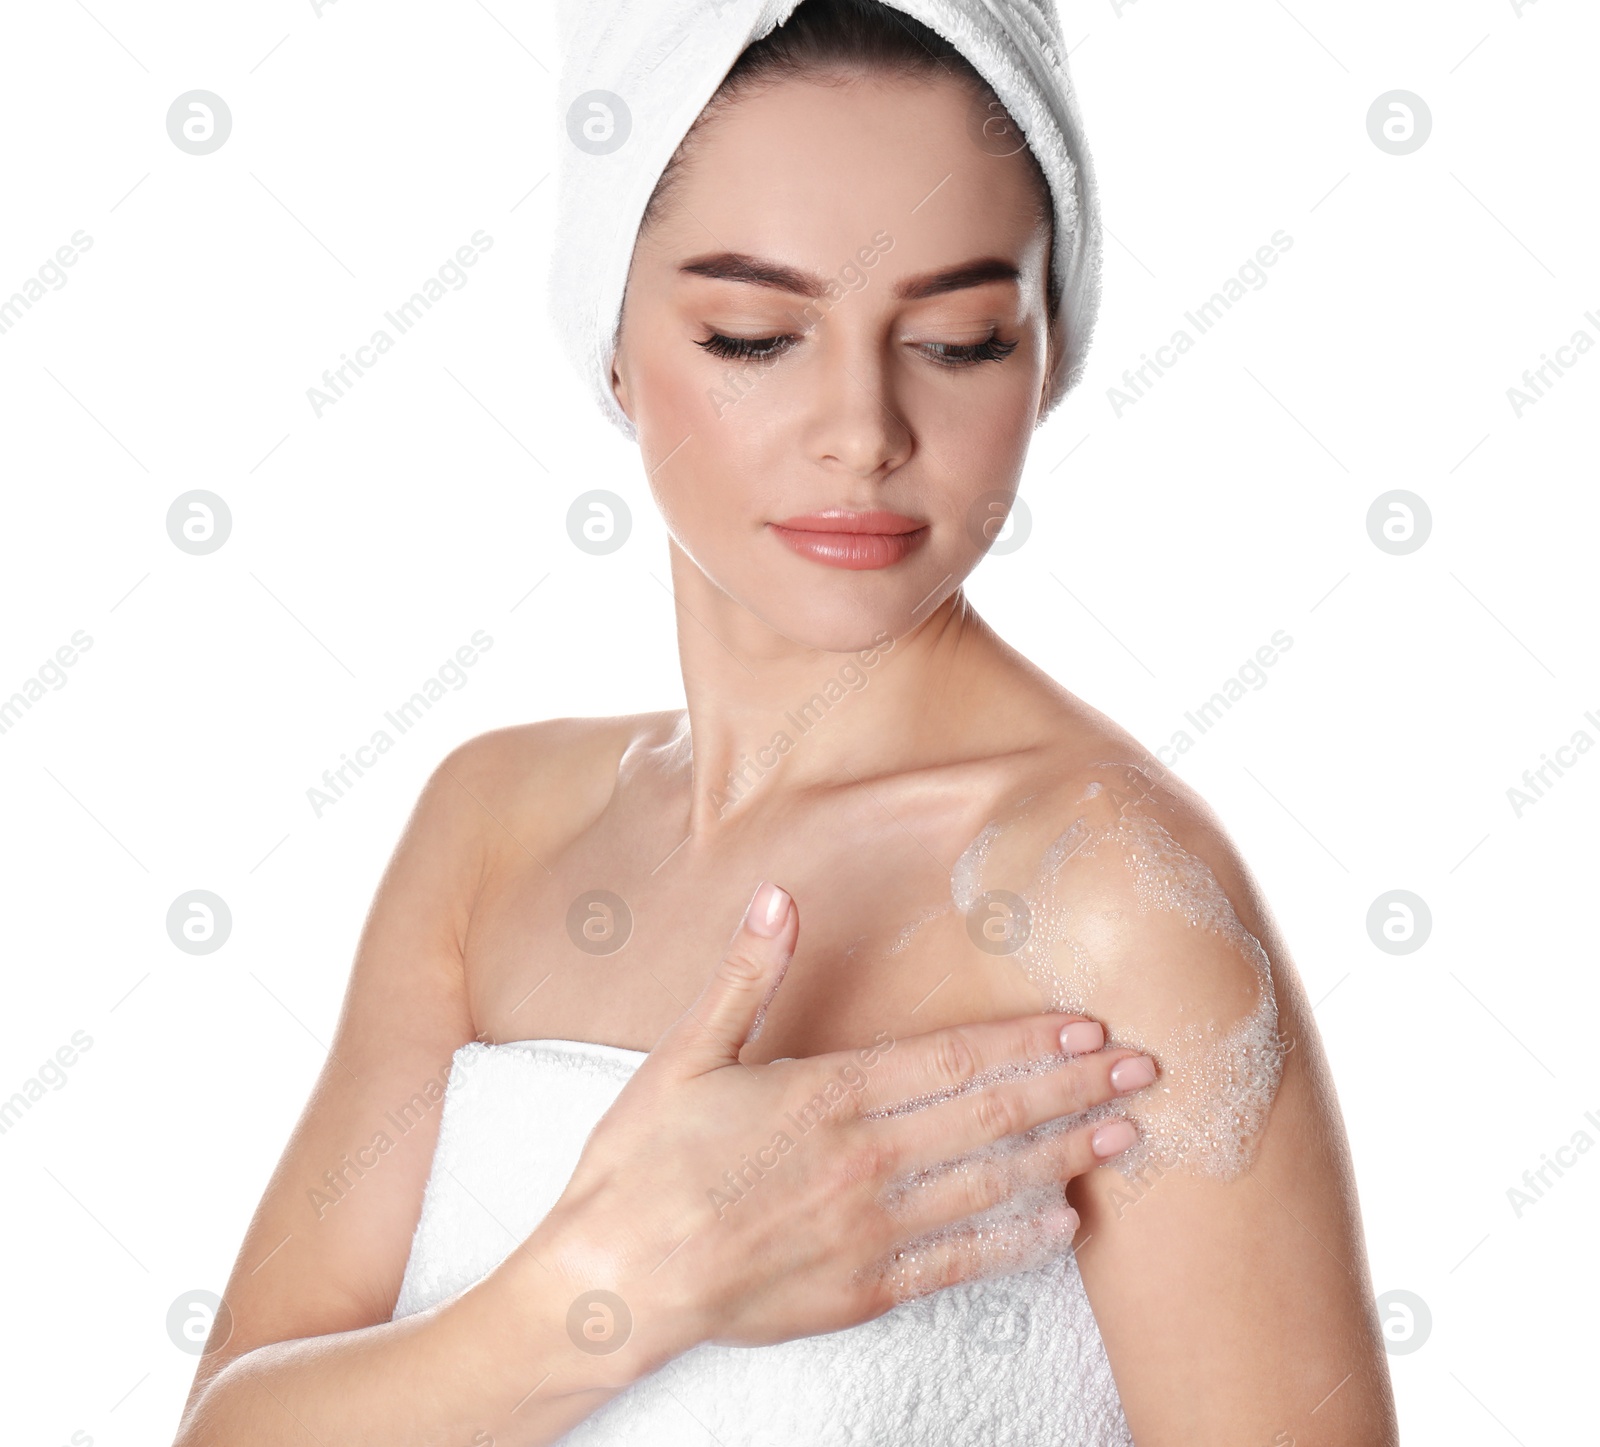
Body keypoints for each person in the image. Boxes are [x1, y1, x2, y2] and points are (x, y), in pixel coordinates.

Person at [173, 2, 1398, 1443]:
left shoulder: (1111, 897)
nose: (861, 428)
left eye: (958, 340)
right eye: (755, 336)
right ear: (611, 341)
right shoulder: (493, 827)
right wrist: (619, 1287)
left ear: (1050, 347)